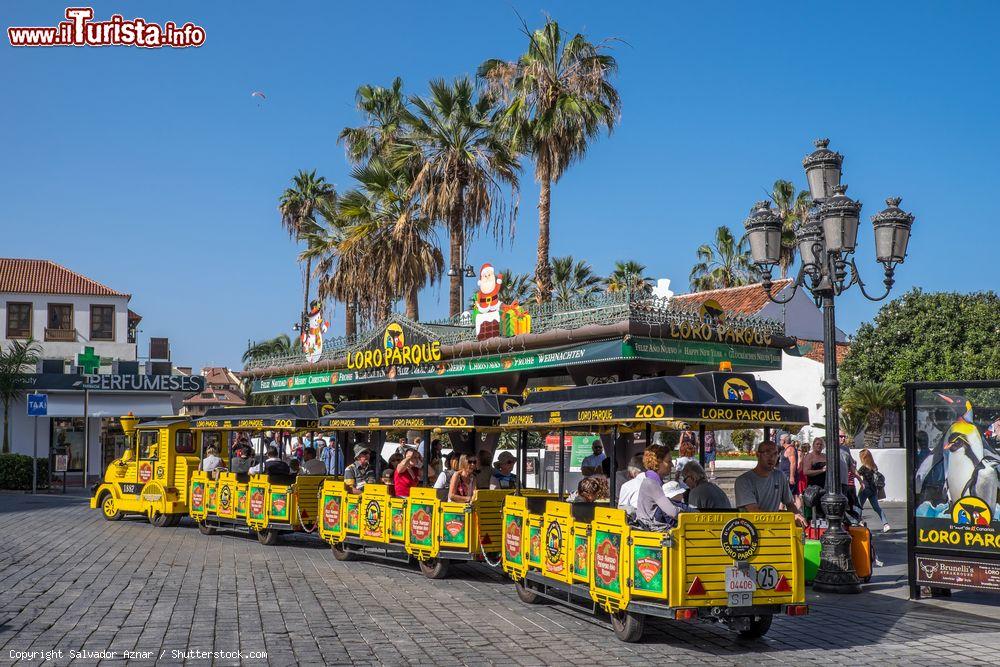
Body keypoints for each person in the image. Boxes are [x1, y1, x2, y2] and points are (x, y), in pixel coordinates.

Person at [734, 441, 808, 527]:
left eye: (775, 454)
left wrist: (797, 515)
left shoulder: (780, 476)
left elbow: (790, 504)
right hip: (750, 530)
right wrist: (787, 518)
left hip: (773, 527)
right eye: (767, 453)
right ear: (758, 455)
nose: (772, 457)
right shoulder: (743, 481)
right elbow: (754, 512)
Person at [635, 445, 682, 531]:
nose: (672, 465)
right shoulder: (651, 483)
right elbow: (673, 512)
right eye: (669, 461)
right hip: (652, 531)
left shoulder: (653, 481)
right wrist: (690, 513)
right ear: (658, 461)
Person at [857, 448, 891, 532]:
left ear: (863, 458)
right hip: (873, 490)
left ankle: (859, 522)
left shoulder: (864, 467)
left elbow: (856, 474)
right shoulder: (874, 466)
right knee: (877, 508)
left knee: (858, 506)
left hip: (865, 489)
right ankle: (886, 524)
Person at [839, 431, 860, 512]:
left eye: (844, 436)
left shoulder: (846, 449)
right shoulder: (828, 449)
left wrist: (860, 480)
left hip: (845, 481)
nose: (843, 438)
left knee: (845, 503)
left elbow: (852, 465)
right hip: (833, 483)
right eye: (841, 436)